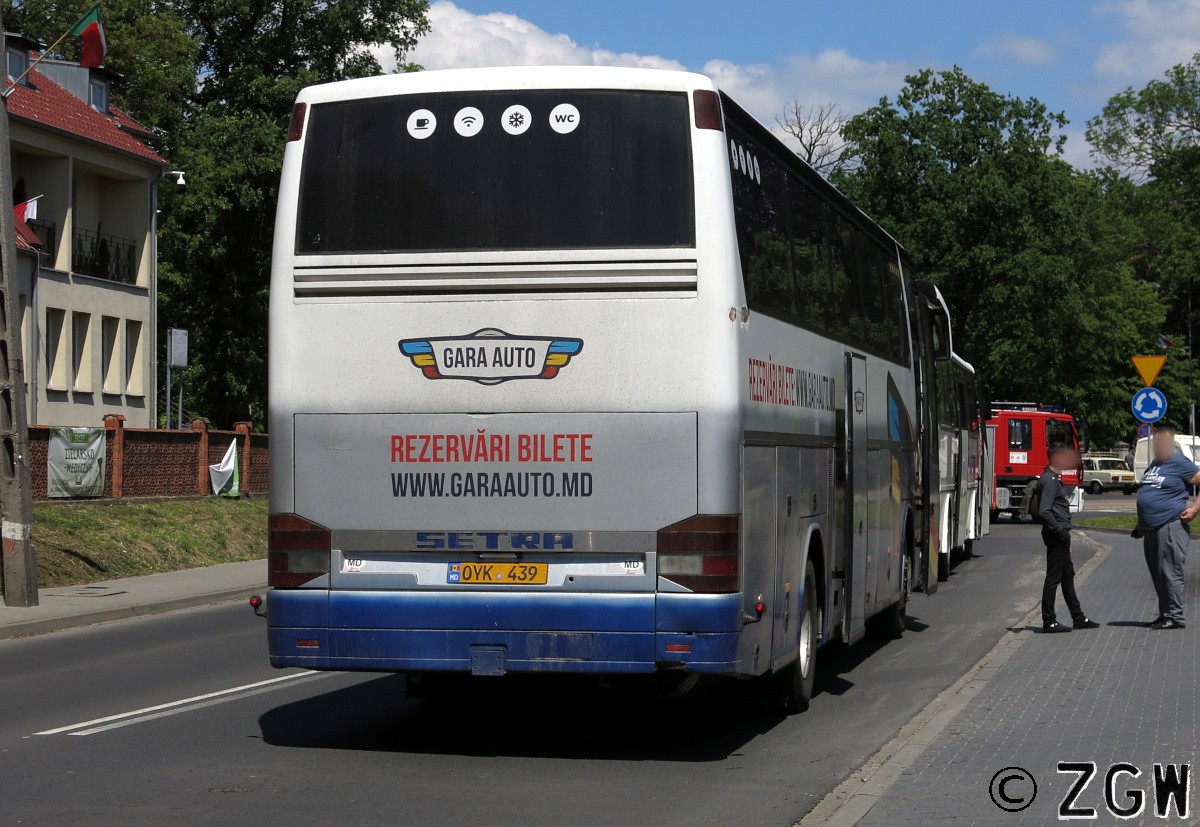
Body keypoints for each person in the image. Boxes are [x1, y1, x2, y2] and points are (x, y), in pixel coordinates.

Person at [1136, 428, 1200, 629]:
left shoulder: (1180, 463)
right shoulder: (1155, 464)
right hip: (1151, 528)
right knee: (1158, 573)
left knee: (1170, 572)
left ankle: (1175, 616)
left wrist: (1195, 509)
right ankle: (1165, 614)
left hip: (1170, 524)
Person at [1038, 443, 1100, 633]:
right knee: (1053, 578)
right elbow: (1044, 511)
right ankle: (1049, 621)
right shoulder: (1049, 480)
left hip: (1060, 535)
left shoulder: (1053, 478)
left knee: (1067, 576)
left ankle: (1078, 618)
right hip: (1056, 535)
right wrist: (1061, 531)